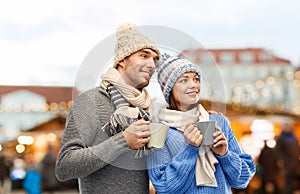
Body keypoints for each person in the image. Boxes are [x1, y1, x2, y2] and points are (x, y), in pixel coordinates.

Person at [55, 23, 161, 193]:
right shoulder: (90, 101)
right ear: (121, 61)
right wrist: (123, 141)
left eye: (155, 60)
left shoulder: (147, 110)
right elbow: (65, 167)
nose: (152, 65)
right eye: (144, 55)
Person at [147, 55, 256, 193]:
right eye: (184, 80)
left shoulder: (219, 122)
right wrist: (190, 149)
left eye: (196, 79)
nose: (193, 85)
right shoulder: (158, 131)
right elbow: (163, 187)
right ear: (170, 89)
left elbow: (243, 180)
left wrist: (225, 155)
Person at [275, 122, 300, 194]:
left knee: (296, 182)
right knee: (288, 183)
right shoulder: (281, 138)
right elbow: (277, 152)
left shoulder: (294, 137)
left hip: (296, 164)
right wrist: (285, 160)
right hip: (287, 165)